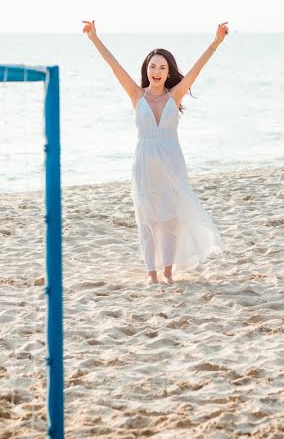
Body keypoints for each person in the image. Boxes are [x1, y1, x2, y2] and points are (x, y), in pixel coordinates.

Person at [82, 20, 226, 284]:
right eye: (152, 67)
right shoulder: (137, 95)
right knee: (147, 219)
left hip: (172, 163)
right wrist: (94, 38)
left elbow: (197, 68)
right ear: (146, 70)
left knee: (171, 219)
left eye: (162, 67)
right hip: (144, 164)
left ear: (168, 71)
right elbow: (114, 66)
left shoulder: (175, 95)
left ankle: (168, 272)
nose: (157, 72)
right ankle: (151, 274)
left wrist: (216, 41)